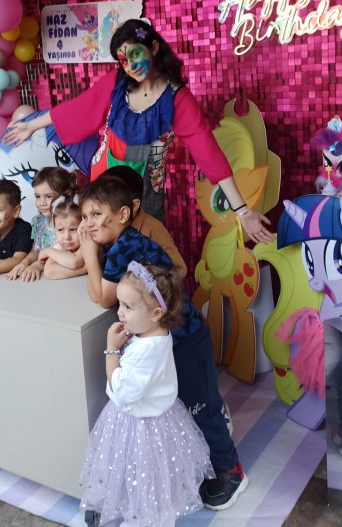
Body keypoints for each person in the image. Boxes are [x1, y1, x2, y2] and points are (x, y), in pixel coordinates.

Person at [4, 18, 274, 244]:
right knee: (100, 253)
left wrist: (243, 211)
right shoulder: (116, 84)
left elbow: (209, 153)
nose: (130, 66)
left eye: (135, 54)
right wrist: (32, 124)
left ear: (153, 47)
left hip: (144, 192)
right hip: (103, 184)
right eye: (123, 60)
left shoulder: (177, 100)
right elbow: (80, 109)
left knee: (143, 256)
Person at [79, 177, 249, 510]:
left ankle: (232, 472)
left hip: (184, 339)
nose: (88, 225)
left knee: (200, 408)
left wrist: (88, 255)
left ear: (123, 214)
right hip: (170, 338)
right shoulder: (121, 242)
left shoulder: (124, 247)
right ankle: (211, 420)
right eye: (85, 217)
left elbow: (101, 296)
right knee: (188, 401)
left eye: (96, 215)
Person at [80, 262, 213, 526]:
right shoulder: (154, 333)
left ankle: (139, 514)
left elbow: (121, 391)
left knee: (138, 469)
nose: (119, 312)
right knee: (140, 468)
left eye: (128, 307)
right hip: (160, 417)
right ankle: (114, 501)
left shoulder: (146, 351)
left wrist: (111, 350)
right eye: (120, 304)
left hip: (138, 422)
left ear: (156, 313)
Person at [101, 164, 187, 279]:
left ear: (134, 206)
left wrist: (141, 281)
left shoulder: (154, 229)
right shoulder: (104, 226)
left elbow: (179, 270)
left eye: (106, 203)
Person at [6, 167, 78, 282]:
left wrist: (36, 266)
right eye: (38, 196)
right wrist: (25, 262)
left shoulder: (71, 223)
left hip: (65, 278)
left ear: (67, 194)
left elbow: (67, 255)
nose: (41, 203)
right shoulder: (39, 221)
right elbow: (36, 250)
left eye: (48, 196)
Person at [39, 195, 86, 280]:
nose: (67, 237)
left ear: (83, 226)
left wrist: (47, 251)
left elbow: (74, 262)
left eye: (73, 230)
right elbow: (49, 271)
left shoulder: (86, 242)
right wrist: (84, 269)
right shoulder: (59, 247)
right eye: (60, 230)